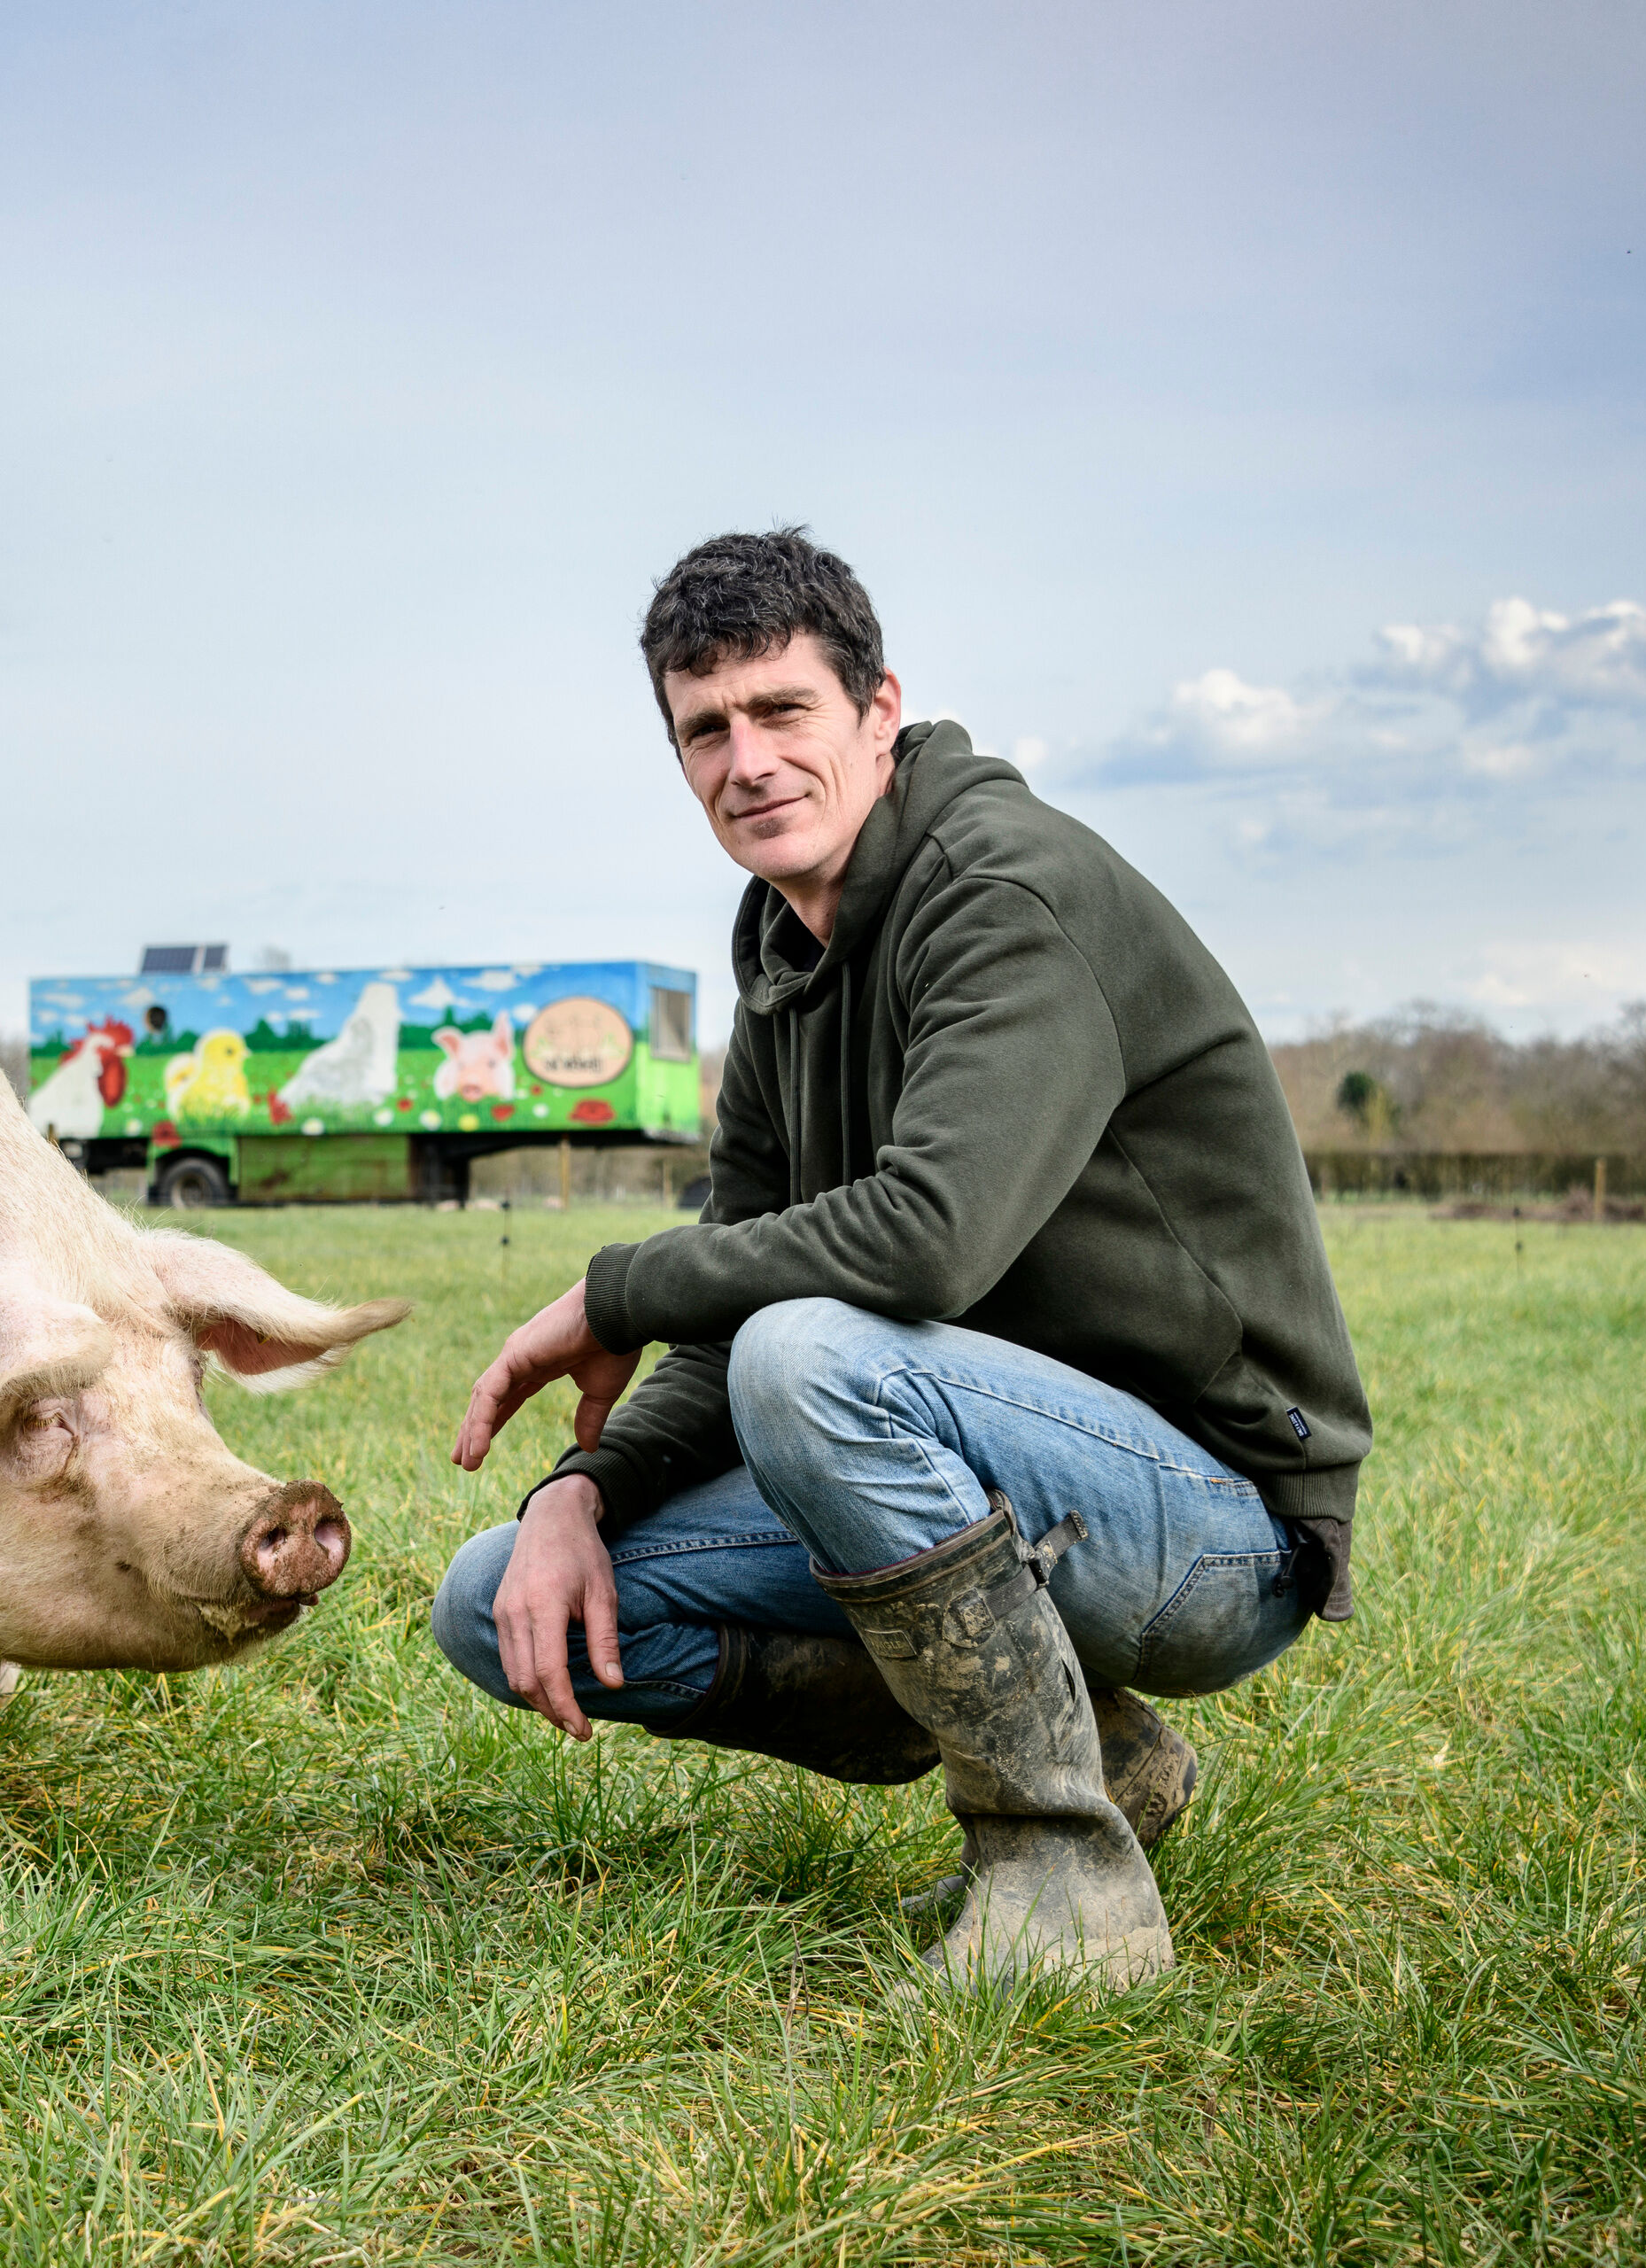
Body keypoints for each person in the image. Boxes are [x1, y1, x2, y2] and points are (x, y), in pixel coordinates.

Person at [437, 529, 1369, 1985]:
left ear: (879, 711)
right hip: (979, 1478)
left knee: (811, 1357)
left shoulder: (1006, 892)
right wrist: (584, 1489)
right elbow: (735, 1282)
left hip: (1210, 1521)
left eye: (782, 709)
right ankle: (1101, 1754)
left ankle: (1062, 1882)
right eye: (705, 730)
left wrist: (616, 1290)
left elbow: (928, 1242)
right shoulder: (782, 949)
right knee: (503, 1598)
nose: (747, 761)